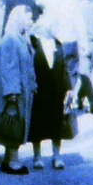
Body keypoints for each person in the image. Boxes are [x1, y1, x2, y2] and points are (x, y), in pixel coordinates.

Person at [0, 4, 37, 175]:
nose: (31, 22)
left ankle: (7, 159)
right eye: (29, 18)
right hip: (15, 92)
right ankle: (14, 160)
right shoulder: (11, 39)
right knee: (15, 124)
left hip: (22, 90)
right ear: (19, 18)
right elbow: (9, 68)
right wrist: (12, 94)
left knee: (14, 123)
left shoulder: (19, 37)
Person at [28, 18, 72, 170]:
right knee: (38, 124)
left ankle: (56, 156)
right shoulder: (33, 44)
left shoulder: (58, 44)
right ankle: (37, 156)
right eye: (53, 26)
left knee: (56, 123)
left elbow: (64, 68)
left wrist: (69, 89)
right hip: (38, 89)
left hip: (56, 90)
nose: (56, 29)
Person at [40, 0, 88, 90]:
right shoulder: (73, 0)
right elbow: (80, 24)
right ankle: (70, 97)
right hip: (71, 42)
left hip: (55, 43)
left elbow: (45, 24)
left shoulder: (48, 1)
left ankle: (60, 99)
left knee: (56, 72)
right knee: (71, 72)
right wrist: (83, 43)